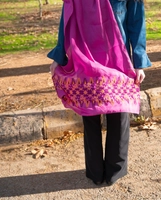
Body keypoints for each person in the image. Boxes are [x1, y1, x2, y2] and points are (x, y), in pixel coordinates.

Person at [47, 0, 151, 186]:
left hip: (117, 58)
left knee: (119, 113)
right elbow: (67, 17)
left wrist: (139, 61)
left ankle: (115, 170)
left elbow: (136, 20)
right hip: (85, 58)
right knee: (90, 113)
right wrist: (59, 55)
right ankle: (95, 171)